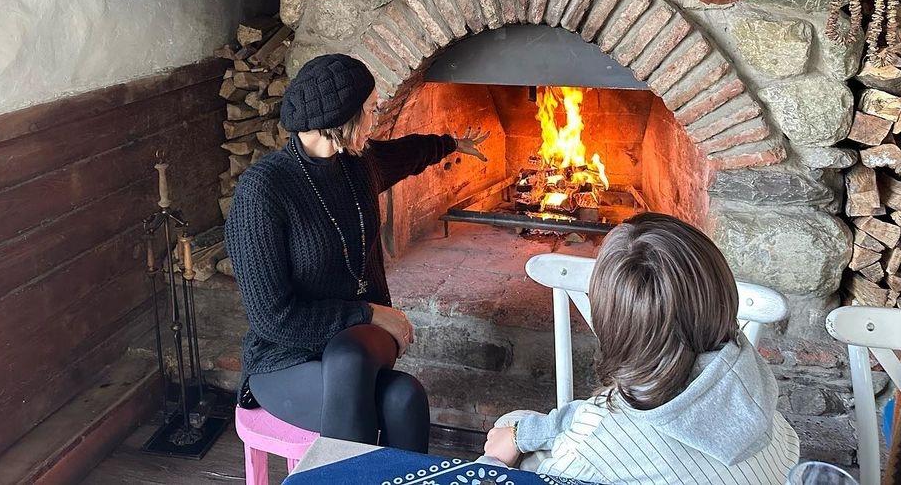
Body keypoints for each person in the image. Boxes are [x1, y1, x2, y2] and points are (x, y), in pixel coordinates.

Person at [225, 53, 487, 453]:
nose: (376, 119)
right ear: (341, 120)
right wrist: (370, 313)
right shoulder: (263, 192)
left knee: (350, 355)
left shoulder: (357, 164)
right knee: (404, 399)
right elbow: (272, 319)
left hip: (359, 344)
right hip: (286, 358)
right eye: (371, 109)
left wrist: (451, 144)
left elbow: (406, 154)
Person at [482, 213, 800, 484]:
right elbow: (602, 413)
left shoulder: (593, 449)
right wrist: (523, 434)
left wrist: (492, 465)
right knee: (519, 424)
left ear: (607, 322)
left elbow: (591, 438)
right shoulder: (751, 382)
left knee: (508, 429)